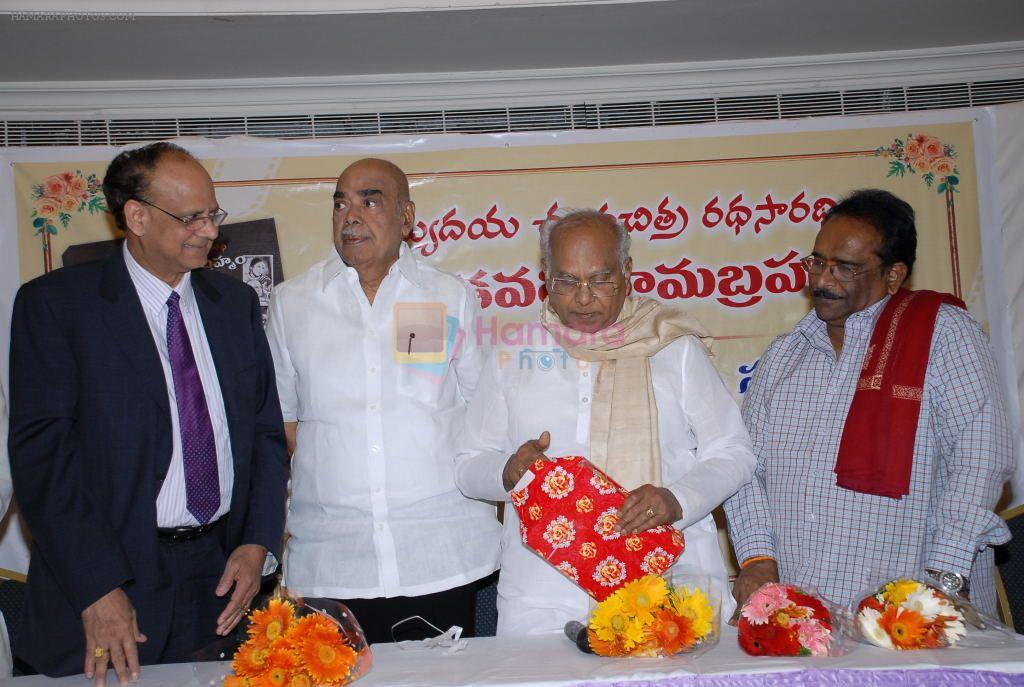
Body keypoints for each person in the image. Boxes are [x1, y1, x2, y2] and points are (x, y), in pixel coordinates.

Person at [9, 142, 289, 681]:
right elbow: (44, 463)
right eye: (191, 218)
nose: (209, 231)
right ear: (135, 216)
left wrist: (257, 544)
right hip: (113, 579)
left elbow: (265, 437)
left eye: (213, 214)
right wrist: (96, 586)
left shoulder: (232, 304)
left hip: (221, 580)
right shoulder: (59, 305)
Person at [455, 209, 756, 634]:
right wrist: (507, 470)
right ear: (545, 277)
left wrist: (677, 500)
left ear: (628, 271)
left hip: (671, 586)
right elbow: (468, 466)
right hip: (543, 598)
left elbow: (735, 452)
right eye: (566, 280)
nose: (582, 298)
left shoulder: (673, 348)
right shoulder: (514, 354)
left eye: (600, 280)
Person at [725, 189, 1013, 616]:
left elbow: (981, 460)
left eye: (846, 268)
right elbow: (744, 467)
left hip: (912, 609)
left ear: (893, 275)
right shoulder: (785, 355)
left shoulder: (941, 335)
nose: (823, 280)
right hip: (799, 616)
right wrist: (756, 557)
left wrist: (944, 579)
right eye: (817, 261)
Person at [265, 158, 498, 643]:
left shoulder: (447, 297)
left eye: (370, 200)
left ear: (407, 217)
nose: (351, 215)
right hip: (333, 562)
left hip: (440, 555)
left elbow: (482, 411)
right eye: (340, 203)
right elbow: (281, 419)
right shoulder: (293, 303)